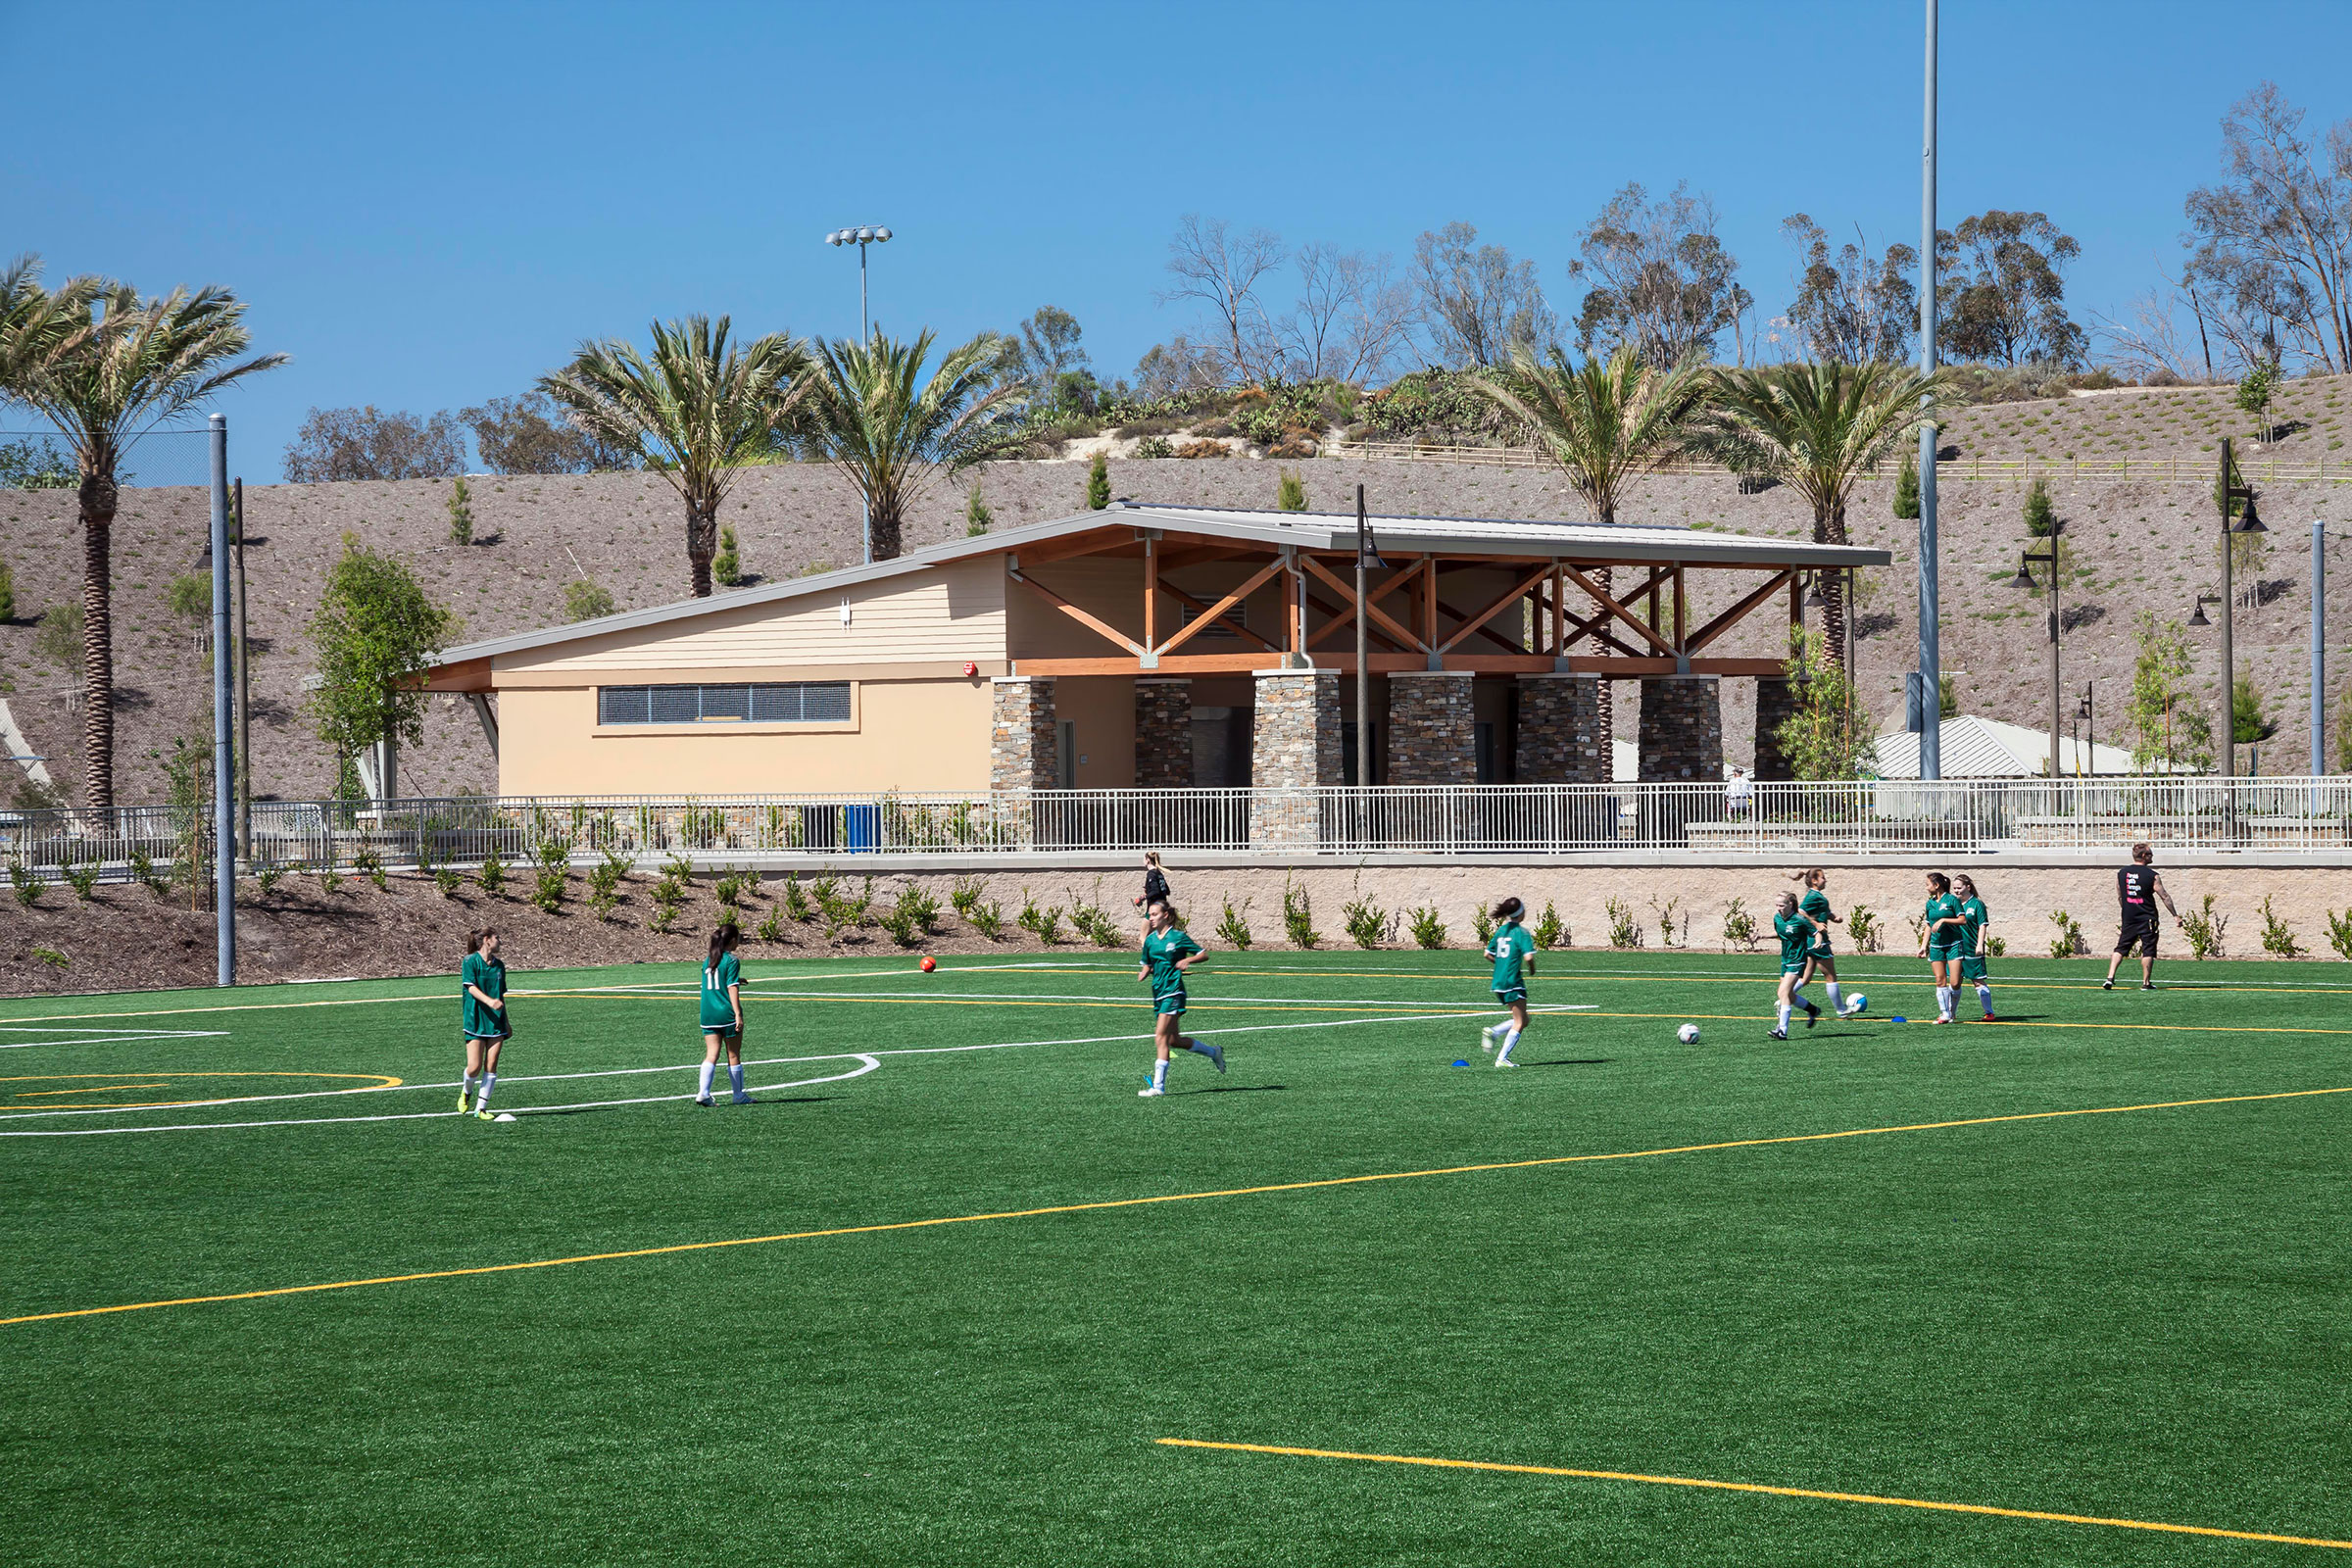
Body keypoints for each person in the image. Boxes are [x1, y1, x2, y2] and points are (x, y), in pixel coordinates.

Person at [1138, 899, 1221, 1096]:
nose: (1151, 918)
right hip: (1158, 991)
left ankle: (1158, 1087)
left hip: (1173, 991)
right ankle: (1213, 1052)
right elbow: (1148, 963)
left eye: (1155, 914)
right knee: (1174, 1040)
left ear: (1166, 916)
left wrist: (1187, 960)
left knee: (1161, 1036)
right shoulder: (1150, 940)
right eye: (1149, 915)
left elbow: (1203, 954)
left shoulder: (1178, 937)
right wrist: (1144, 971)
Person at [2103, 843, 2180, 992]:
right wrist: (2175, 915)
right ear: (2144, 856)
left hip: (2129, 917)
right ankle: (2146, 983)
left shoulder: (2121, 873)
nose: (2152, 856)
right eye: (2150, 854)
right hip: (2147, 917)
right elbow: (2164, 896)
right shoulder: (2152, 875)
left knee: (2121, 947)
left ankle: (2110, 978)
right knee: (2148, 949)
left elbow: (2120, 895)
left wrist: (2127, 909)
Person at [1791, 868, 1857, 1017]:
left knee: (1805, 979)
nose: (1825, 880)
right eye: (1823, 878)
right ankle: (1841, 1010)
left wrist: (1834, 917)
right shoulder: (1812, 896)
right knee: (1831, 977)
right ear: (1814, 880)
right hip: (1818, 941)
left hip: (1811, 941)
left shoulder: (1818, 896)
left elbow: (1823, 911)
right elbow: (1800, 911)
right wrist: (1816, 925)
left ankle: (1784, 998)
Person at [1481, 897, 1539, 1066]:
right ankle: (1501, 1059)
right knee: (1520, 1022)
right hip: (1513, 981)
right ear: (1521, 913)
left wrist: (1501, 964)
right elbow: (1528, 956)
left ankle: (1494, 1032)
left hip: (1498, 982)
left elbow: (1487, 954)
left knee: (1523, 1019)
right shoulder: (1521, 932)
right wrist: (1532, 969)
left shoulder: (1501, 931)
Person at [696, 924, 750, 1106]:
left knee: (711, 1054)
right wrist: (737, 1013)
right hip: (725, 1013)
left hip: (708, 1013)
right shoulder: (732, 960)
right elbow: (730, 987)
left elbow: (714, 982)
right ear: (733, 940)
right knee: (733, 1054)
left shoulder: (708, 960)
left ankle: (703, 1093)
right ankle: (739, 1095)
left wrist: (736, 980)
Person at [459, 928, 509, 1121]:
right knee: (474, 1066)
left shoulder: (500, 966)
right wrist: (490, 1002)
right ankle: (466, 1091)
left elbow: (501, 996)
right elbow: (470, 988)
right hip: (476, 1019)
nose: (500, 941)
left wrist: (506, 1021)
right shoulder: (470, 961)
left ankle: (481, 1109)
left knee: (492, 1064)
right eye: (497, 937)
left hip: (496, 1021)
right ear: (487, 940)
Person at [1769, 892, 1822, 1039]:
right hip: (1785, 960)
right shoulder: (1777, 918)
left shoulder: (1800, 920)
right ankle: (1812, 1010)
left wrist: (1818, 940)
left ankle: (1782, 1030)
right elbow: (1782, 933)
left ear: (1790, 904)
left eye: (1781, 905)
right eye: (1776, 905)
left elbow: (1816, 932)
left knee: (1783, 993)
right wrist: (1762, 936)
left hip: (1798, 960)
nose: (1778, 908)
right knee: (1788, 995)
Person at [1919, 872, 1967, 1024]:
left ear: (1937, 885)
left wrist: (1944, 920)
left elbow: (1963, 919)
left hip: (1953, 944)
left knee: (1955, 982)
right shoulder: (1930, 903)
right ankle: (1944, 1013)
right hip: (1936, 945)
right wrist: (1923, 946)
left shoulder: (1952, 900)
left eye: (1928, 884)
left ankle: (1952, 1011)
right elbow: (1928, 925)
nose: (1927, 888)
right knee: (1940, 980)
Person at [1953, 874, 1996, 1021]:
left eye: (1959, 888)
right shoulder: (1953, 904)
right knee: (1954, 982)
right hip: (1956, 949)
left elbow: (1982, 925)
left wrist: (1980, 944)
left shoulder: (1977, 904)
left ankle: (1989, 1012)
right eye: (1954, 888)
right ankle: (1951, 1014)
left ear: (1968, 887)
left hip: (1972, 948)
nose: (1956, 891)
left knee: (1977, 981)